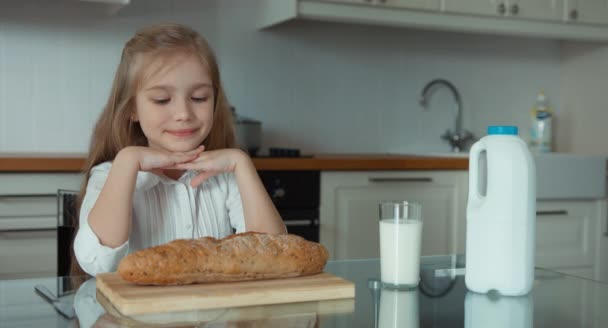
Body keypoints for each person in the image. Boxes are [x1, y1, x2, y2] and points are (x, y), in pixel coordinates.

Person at [73, 23, 286, 277]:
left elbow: (272, 258)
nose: (184, 114)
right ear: (132, 109)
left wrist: (242, 163)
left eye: (199, 98)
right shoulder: (111, 175)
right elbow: (97, 263)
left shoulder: (227, 179)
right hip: (138, 317)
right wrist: (127, 162)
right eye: (162, 100)